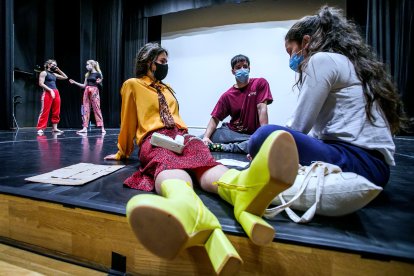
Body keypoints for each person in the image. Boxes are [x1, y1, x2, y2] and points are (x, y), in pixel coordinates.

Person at [104, 42, 299, 274]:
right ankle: (184, 206)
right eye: (163, 62)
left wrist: (186, 138)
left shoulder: (168, 89)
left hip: (181, 135)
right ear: (150, 63)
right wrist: (122, 151)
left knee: (204, 160)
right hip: (154, 138)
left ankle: (242, 188)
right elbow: (128, 122)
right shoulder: (132, 85)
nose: (166, 66)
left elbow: (176, 117)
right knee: (165, 159)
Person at [249, 6, 407, 188]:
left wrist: (267, 147)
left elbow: (299, 127)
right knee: (270, 140)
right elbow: (316, 133)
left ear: (306, 41)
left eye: (290, 51)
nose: (290, 59)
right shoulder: (346, 63)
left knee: (264, 136)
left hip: (362, 163)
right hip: (372, 165)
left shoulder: (321, 60)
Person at [201, 54, 273, 154]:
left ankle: (224, 148)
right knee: (199, 141)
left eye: (245, 66)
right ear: (233, 71)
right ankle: (218, 145)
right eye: (238, 67)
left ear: (249, 68)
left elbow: (262, 108)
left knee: (256, 145)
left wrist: (264, 134)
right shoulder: (227, 95)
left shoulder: (260, 83)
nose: (242, 69)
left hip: (251, 135)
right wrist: (206, 137)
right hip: (231, 133)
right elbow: (215, 118)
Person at [69, 60, 106, 133]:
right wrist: (74, 82)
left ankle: (102, 127)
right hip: (86, 90)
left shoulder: (98, 74)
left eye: (88, 64)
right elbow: (84, 85)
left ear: (92, 65)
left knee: (97, 108)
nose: (86, 66)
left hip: (94, 90)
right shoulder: (87, 74)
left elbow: (100, 81)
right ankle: (85, 128)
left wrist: (99, 81)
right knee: (85, 109)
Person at [36, 59, 68, 134]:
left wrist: (59, 70)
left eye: (55, 65)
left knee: (56, 111)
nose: (55, 66)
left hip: (56, 92)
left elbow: (65, 77)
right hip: (47, 92)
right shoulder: (44, 73)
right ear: (48, 65)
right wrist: (50, 90)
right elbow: (41, 83)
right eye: (53, 64)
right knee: (45, 111)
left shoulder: (54, 74)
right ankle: (40, 128)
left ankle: (55, 128)